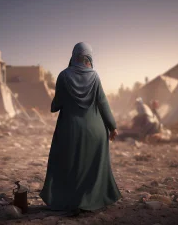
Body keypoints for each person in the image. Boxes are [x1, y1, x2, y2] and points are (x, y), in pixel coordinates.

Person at [40, 42, 121, 215]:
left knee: (66, 164)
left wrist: (55, 102)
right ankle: (90, 200)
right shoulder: (95, 76)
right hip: (96, 130)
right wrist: (112, 126)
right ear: (89, 57)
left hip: (69, 130)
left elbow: (56, 105)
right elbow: (103, 103)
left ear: (73, 55)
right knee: (91, 166)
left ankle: (66, 200)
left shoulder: (63, 76)